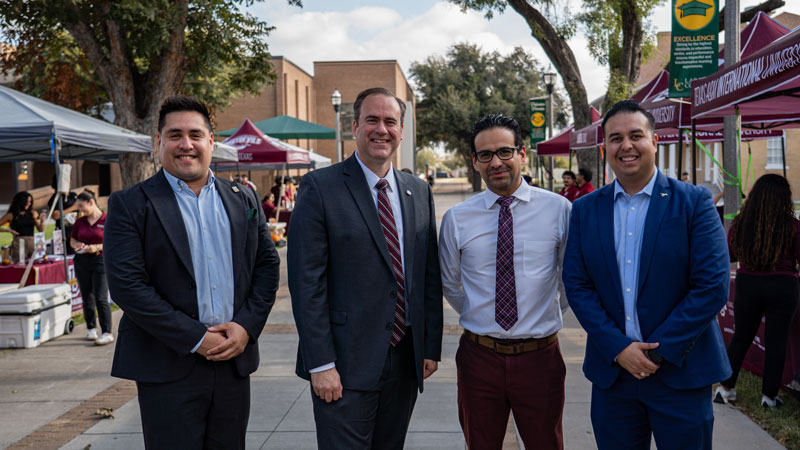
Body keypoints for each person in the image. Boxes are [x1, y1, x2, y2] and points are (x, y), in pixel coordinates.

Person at [103, 95, 280, 449]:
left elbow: (267, 266)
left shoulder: (243, 198)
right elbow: (128, 287)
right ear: (159, 142)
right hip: (166, 364)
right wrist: (197, 339)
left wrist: (246, 327)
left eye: (196, 135)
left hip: (233, 360)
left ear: (211, 142)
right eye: (175, 135)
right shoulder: (130, 204)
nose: (186, 144)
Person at [562, 100, 731, 450]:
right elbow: (577, 286)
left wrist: (657, 352)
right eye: (615, 138)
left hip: (681, 373)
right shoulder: (584, 210)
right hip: (614, 378)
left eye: (636, 136)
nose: (626, 145)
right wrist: (619, 348)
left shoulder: (694, 203)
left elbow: (712, 287)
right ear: (604, 148)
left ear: (654, 141)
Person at [287, 87, 443, 450]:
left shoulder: (418, 191)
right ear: (355, 126)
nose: (381, 129)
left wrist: (429, 347)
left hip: (404, 360)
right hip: (344, 364)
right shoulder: (319, 187)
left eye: (390, 121)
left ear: (401, 130)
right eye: (372, 120)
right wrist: (320, 363)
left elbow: (427, 275)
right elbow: (307, 284)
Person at [439, 114, 571, 449]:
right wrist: (482, 314)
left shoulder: (559, 210)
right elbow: (450, 283)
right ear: (475, 162)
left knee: (546, 444)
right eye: (485, 155)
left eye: (504, 152)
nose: (496, 162)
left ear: (522, 153)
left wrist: (540, 314)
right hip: (479, 358)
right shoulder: (457, 218)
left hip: (540, 358)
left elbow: (568, 280)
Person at [715, 174, 800, 409]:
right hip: (783, 285)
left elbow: (730, 255)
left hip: (747, 283)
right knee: (776, 341)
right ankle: (769, 397)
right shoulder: (793, 226)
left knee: (741, 337)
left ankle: (724, 389)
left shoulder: (741, 223)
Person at [70, 190, 113, 345]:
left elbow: (112, 241)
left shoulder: (107, 219)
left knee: (100, 297)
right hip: (82, 261)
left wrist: (97, 247)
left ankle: (107, 331)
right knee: (86, 295)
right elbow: (72, 240)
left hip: (100, 261)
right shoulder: (80, 222)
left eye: (82, 206)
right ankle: (91, 328)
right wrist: (77, 244)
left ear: (91, 202)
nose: (80, 210)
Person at [0, 191, 45, 261]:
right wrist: (9, 230)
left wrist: (42, 221)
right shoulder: (11, 215)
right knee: (19, 264)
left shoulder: (33, 213)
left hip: (33, 243)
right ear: (21, 202)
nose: (29, 204)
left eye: (30, 202)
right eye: (27, 201)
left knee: (36, 263)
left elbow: (41, 230)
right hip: (19, 244)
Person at [48, 176, 79, 255]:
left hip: (75, 231)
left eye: (70, 180)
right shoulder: (57, 197)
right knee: (64, 254)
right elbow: (55, 216)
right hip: (63, 232)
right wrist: (73, 208)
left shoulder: (73, 195)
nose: (70, 182)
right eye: (67, 180)